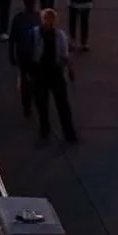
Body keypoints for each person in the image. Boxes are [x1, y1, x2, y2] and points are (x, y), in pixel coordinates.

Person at [30, 8, 77, 143]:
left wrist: (70, 68)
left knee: (62, 104)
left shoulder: (59, 35)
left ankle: (69, 132)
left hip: (55, 71)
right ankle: (44, 130)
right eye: (47, 19)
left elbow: (64, 54)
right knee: (42, 103)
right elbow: (31, 53)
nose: (49, 22)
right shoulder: (35, 33)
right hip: (40, 71)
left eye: (51, 20)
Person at [8, 0, 41, 117]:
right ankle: (30, 103)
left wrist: (11, 54)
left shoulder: (19, 18)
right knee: (32, 81)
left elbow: (12, 39)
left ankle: (27, 105)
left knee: (27, 81)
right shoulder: (38, 18)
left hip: (25, 54)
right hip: (31, 55)